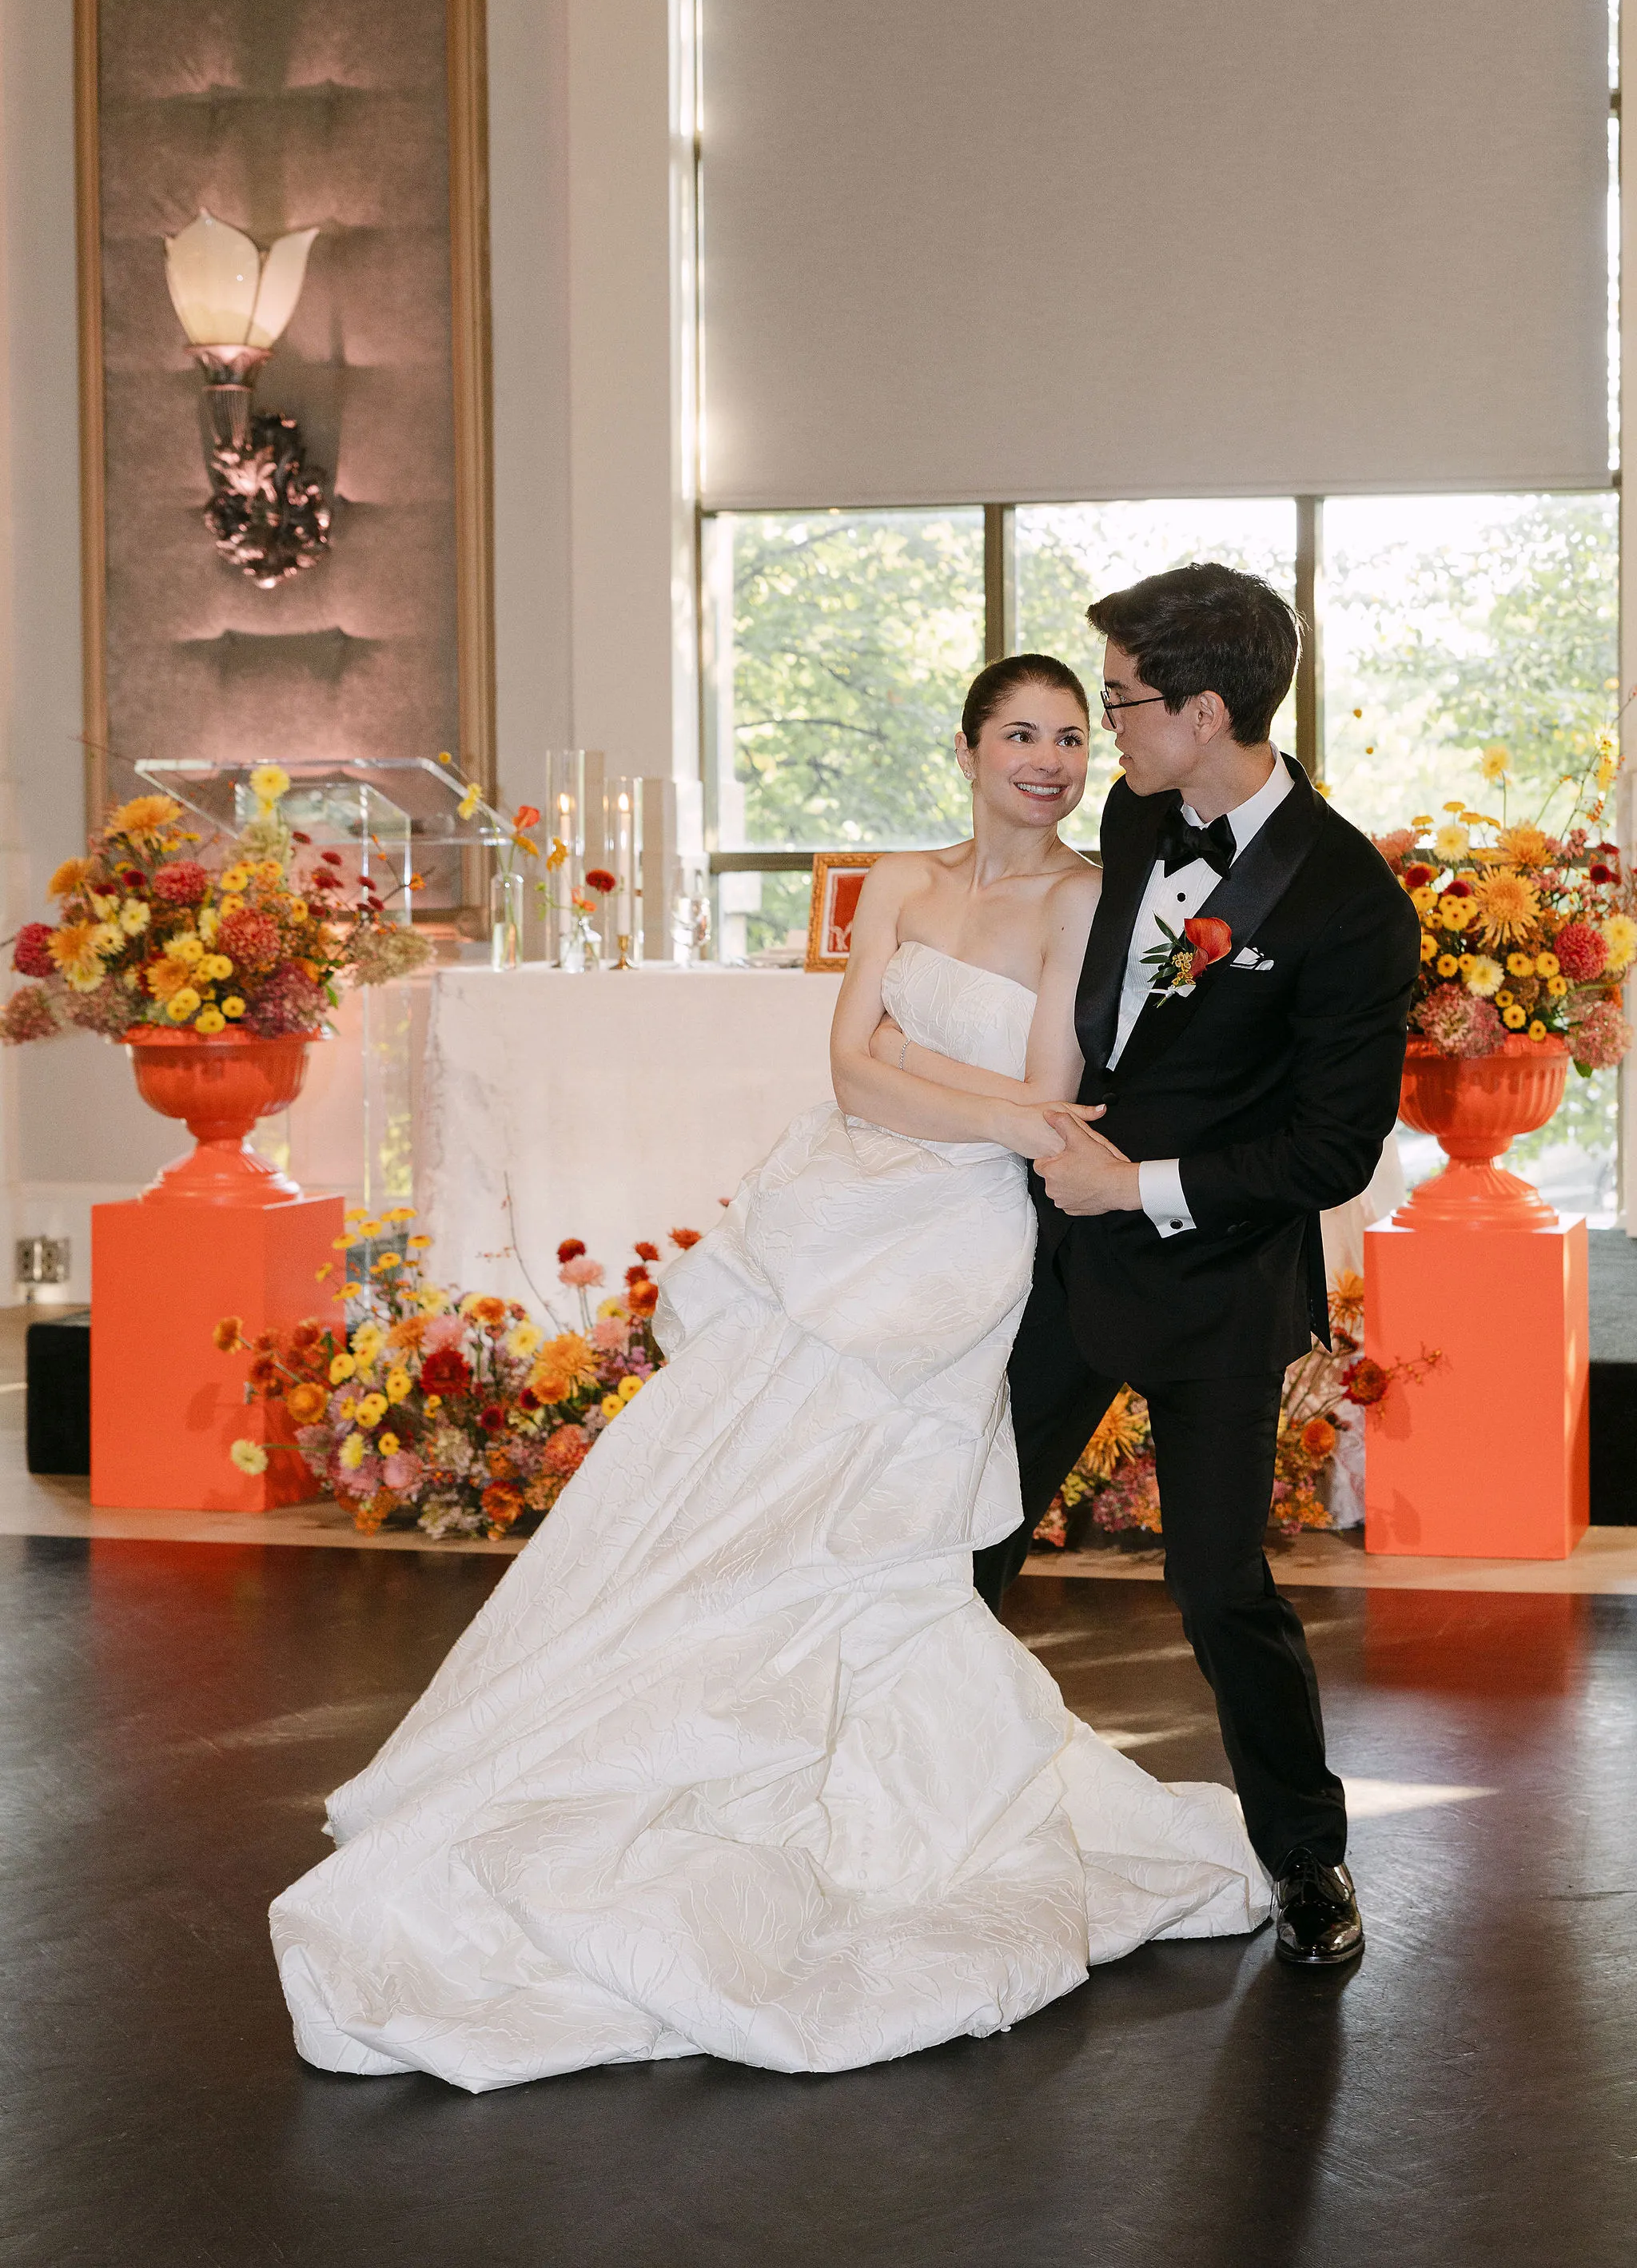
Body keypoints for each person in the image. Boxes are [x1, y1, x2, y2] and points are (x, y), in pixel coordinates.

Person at [270, 653, 1272, 2093]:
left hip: (954, 1234)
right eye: (1020, 734)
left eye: (1069, 734)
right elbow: (847, 1070)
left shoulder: (1082, 897)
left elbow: (1039, 1102)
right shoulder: (896, 879)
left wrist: (932, 1074)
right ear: (969, 744)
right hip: (839, 1193)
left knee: (870, 1523)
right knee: (728, 1472)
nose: (1048, 759)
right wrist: (943, 1085)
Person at [968, 565, 1420, 1968]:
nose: (1102, 733)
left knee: (1221, 1586)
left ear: (1206, 708)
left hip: (1221, 1289)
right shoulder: (1137, 809)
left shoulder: (1351, 904)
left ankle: (1307, 1860)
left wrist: (1141, 1182)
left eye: (1120, 703)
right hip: (1071, 1272)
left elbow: (1332, 1149)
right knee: (968, 1537)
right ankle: (918, 1805)